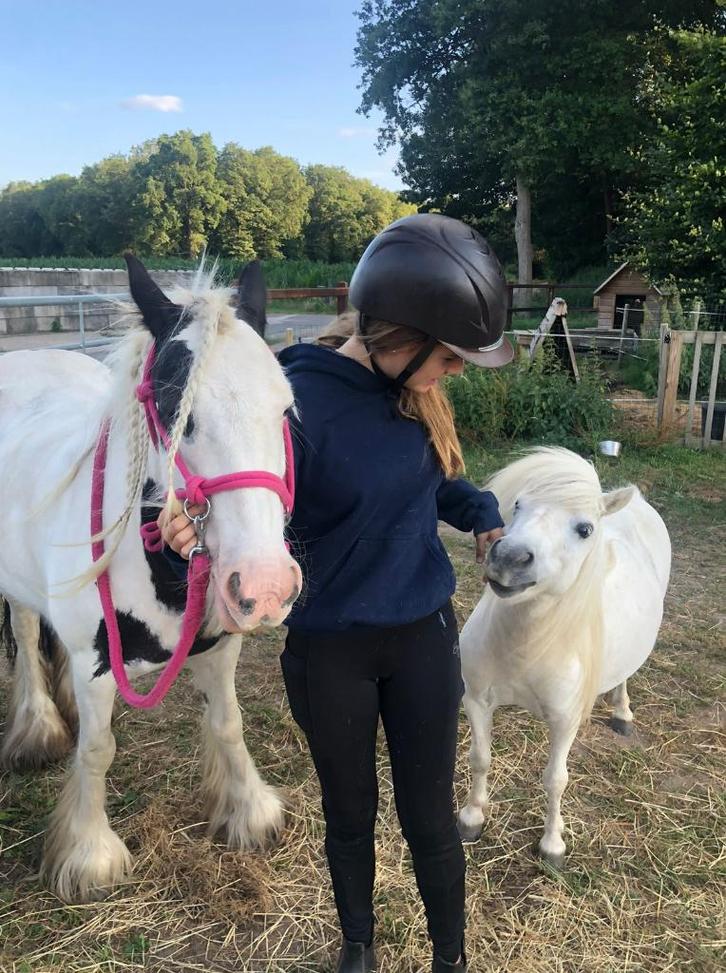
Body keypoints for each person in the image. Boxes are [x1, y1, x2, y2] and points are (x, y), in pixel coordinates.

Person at [160, 213, 513, 972]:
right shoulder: (292, 405)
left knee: (430, 818)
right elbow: (250, 511)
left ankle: (450, 957)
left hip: (421, 636)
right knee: (350, 814)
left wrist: (481, 515)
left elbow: (434, 484)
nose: (453, 372)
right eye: (448, 356)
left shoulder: (411, 396)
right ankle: (359, 944)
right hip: (332, 648)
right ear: (401, 335)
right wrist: (196, 530)